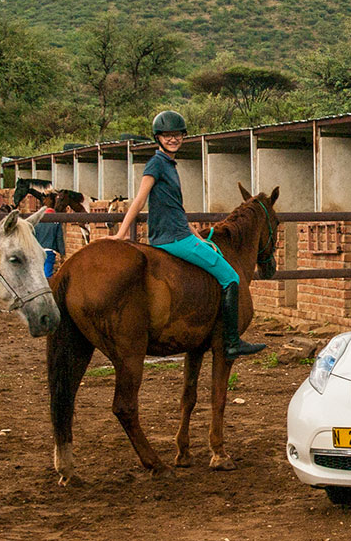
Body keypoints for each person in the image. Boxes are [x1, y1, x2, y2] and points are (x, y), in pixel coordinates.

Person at [110, 110, 266, 360]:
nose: (173, 139)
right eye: (167, 135)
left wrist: (198, 236)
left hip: (181, 233)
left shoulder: (170, 165)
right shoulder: (156, 164)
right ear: (158, 138)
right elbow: (140, 199)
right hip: (174, 239)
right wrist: (120, 235)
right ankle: (231, 342)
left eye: (177, 135)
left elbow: (176, 208)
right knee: (231, 277)